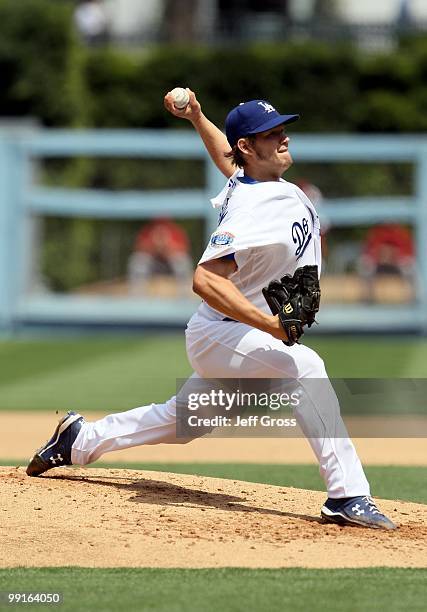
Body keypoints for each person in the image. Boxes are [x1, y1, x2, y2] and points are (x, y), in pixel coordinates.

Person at [26, 90, 396, 530]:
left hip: (239, 337)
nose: (283, 139)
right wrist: (271, 325)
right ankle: (347, 495)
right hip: (223, 333)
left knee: (185, 419)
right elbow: (204, 280)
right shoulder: (251, 210)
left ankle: (79, 440)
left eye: (282, 129)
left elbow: (228, 157)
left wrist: (198, 117)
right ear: (250, 146)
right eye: (271, 133)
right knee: (305, 367)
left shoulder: (256, 180)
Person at [127, 218, 193, 296]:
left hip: (170, 265)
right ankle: (138, 294)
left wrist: (167, 248)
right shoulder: (147, 230)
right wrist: (154, 247)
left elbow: (184, 249)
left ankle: (184, 294)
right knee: (138, 260)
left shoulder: (175, 230)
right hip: (153, 265)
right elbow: (138, 248)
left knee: (182, 260)